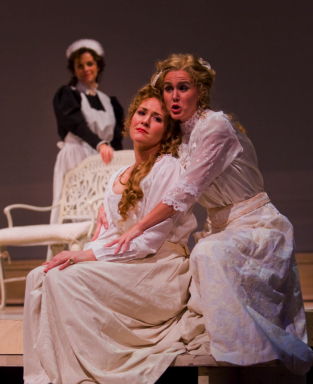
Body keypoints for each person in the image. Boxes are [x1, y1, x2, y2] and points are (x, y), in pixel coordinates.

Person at [106, 54, 313, 374]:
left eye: (183, 87)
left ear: (199, 92)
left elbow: (186, 191)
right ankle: (233, 354)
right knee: (201, 253)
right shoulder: (182, 139)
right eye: (168, 89)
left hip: (257, 226)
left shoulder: (214, 126)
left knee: (208, 252)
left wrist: (139, 228)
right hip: (220, 227)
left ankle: (252, 355)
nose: (174, 96)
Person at [23, 85, 198, 384]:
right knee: (40, 276)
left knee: (65, 280)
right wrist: (84, 254)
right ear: (131, 119)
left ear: (167, 130)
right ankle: (50, 375)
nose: (145, 120)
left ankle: (84, 374)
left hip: (158, 268)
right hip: (127, 262)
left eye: (156, 118)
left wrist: (85, 255)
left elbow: (148, 241)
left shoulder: (167, 168)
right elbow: (109, 235)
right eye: (142, 113)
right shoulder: (119, 176)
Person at [51, 38, 124, 226]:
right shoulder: (68, 94)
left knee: (106, 206)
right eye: (80, 65)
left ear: (98, 66)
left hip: (105, 159)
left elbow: (116, 137)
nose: (85, 69)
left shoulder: (109, 101)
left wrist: (120, 160)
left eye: (89, 64)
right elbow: (75, 123)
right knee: (78, 208)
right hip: (77, 155)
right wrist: (99, 144)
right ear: (74, 69)